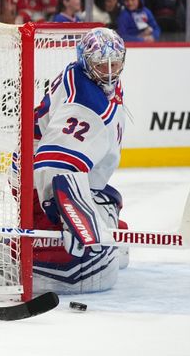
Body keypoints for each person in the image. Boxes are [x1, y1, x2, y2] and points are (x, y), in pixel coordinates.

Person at [28, 28, 128, 294]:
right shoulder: (84, 103)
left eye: (114, 64)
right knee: (83, 263)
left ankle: (100, 213)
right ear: (85, 60)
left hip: (55, 160)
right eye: (100, 65)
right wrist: (64, 213)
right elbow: (54, 164)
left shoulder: (87, 77)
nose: (108, 72)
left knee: (107, 199)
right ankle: (49, 256)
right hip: (34, 170)